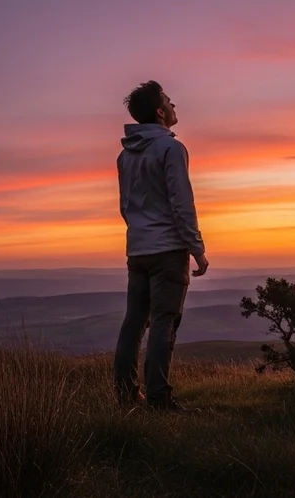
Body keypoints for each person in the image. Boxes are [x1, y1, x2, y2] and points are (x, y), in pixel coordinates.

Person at [112, 80, 209, 410]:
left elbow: (126, 205)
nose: (173, 106)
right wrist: (196, 247)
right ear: (160, 111)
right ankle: (159, 399)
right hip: (168, 249)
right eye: (169, 101)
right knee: (165, 322)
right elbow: (181, 202)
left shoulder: (125, 155)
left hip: (137, 248)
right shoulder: (170, 149)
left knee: (133, 323)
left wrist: (139, 233)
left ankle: (126, 395)